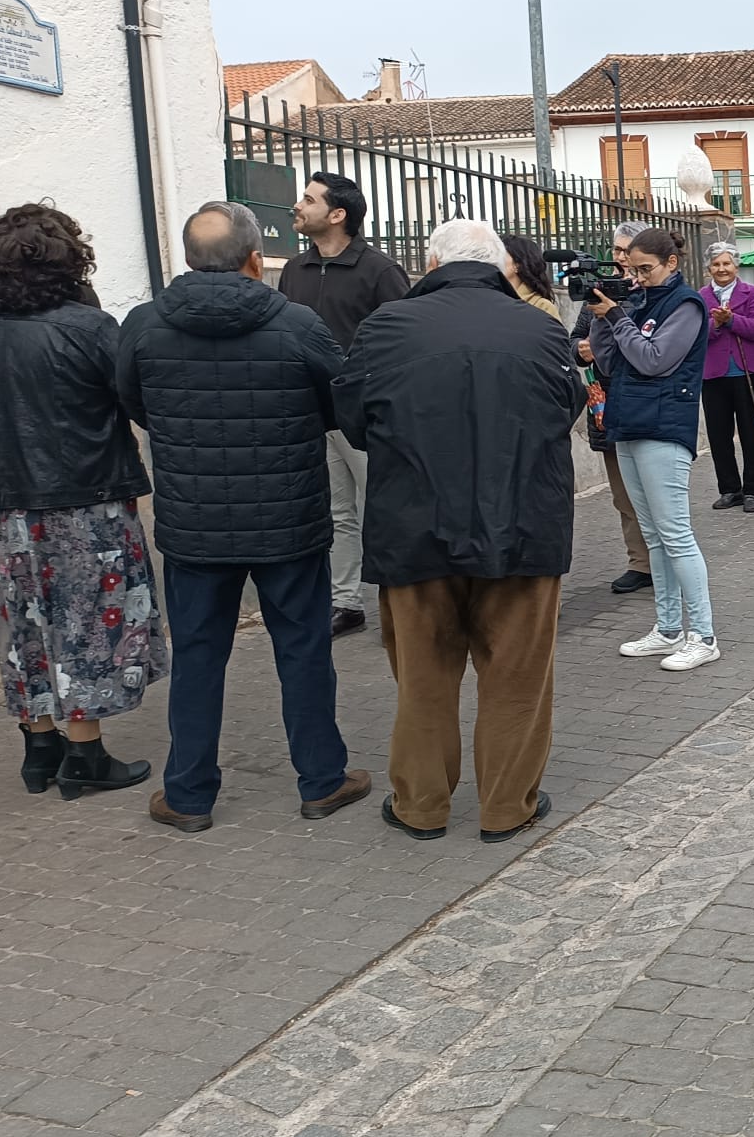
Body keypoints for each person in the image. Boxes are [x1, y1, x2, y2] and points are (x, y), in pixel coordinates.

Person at [115, 202, 369, 833]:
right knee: (304, 650)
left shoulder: (144, 324)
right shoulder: (297, 322)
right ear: (256, 260)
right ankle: (322, 780)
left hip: (194, 524)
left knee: (198, 656)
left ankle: (188, 793)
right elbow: (340, 401)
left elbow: (133, 399)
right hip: (288, 521)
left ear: (187, 259)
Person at [335, 218, 584, 843]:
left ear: (430, 260)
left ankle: (420, 805)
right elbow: (568, 408)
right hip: (524, 526)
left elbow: (353, 422)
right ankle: (507, 808)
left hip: (415, 529)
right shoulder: (542, 329)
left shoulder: (384, 328)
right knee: (518, 678)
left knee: (423, 677)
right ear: (501, 267)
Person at [0, 203, 163, 797]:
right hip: (86, 505)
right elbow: (137, 405)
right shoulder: (93, 329)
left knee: (23, 623)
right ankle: (84, 756)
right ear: (74, 262)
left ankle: (39, 747)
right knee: (88, 626)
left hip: (3, 508)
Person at [277, 171, 410, 639]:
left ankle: (400, 602)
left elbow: (404, 341)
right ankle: (345, 603)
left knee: (383, 509)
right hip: (312, 413)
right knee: (337, 513)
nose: (299, 205)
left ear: (337, 215)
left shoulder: (380, 271)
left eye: (309, 200)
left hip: (368, 415)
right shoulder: (295, 270)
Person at [589, 228, 720, 671]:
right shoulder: (638, 301)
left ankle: (703, 635)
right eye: (633, 269)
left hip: (664, 428)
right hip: (628, 424)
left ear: (671, 264)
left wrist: (619, 318)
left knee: (676, 535)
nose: (638, 277)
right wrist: (602, 314)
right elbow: (607, 361)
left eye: (646, 269)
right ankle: (667, 629)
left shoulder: (686, 305)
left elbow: (654, 358)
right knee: (655, 537)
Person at [570, 222, 655, 595]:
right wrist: (580, 350)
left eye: (626, 251)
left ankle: (663, 560)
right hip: (605, 405)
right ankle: (639, 562)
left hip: (644, 405)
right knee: (623, 495)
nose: (619, 258)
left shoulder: (653, 294)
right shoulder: (597, 291)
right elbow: (573, 339)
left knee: (653, 492)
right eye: (616, 251)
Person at [698, 242, 754, 512]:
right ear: (709, 268)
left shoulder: (750, 292)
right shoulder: (701, 297)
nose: (722, 269)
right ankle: (729, 489)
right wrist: (716, 323)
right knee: (719, 434)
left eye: (726, 263)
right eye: (716, 264)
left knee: (753, 432)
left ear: (736, 266)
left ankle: (752, 490)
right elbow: (696, 335)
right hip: (713, 374)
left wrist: (730, 320)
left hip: (748, 372)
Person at [500, 233, 562, 320]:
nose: (494, 261)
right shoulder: (489, 299)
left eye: (500, 256)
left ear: (518, 264)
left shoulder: (542, 307)